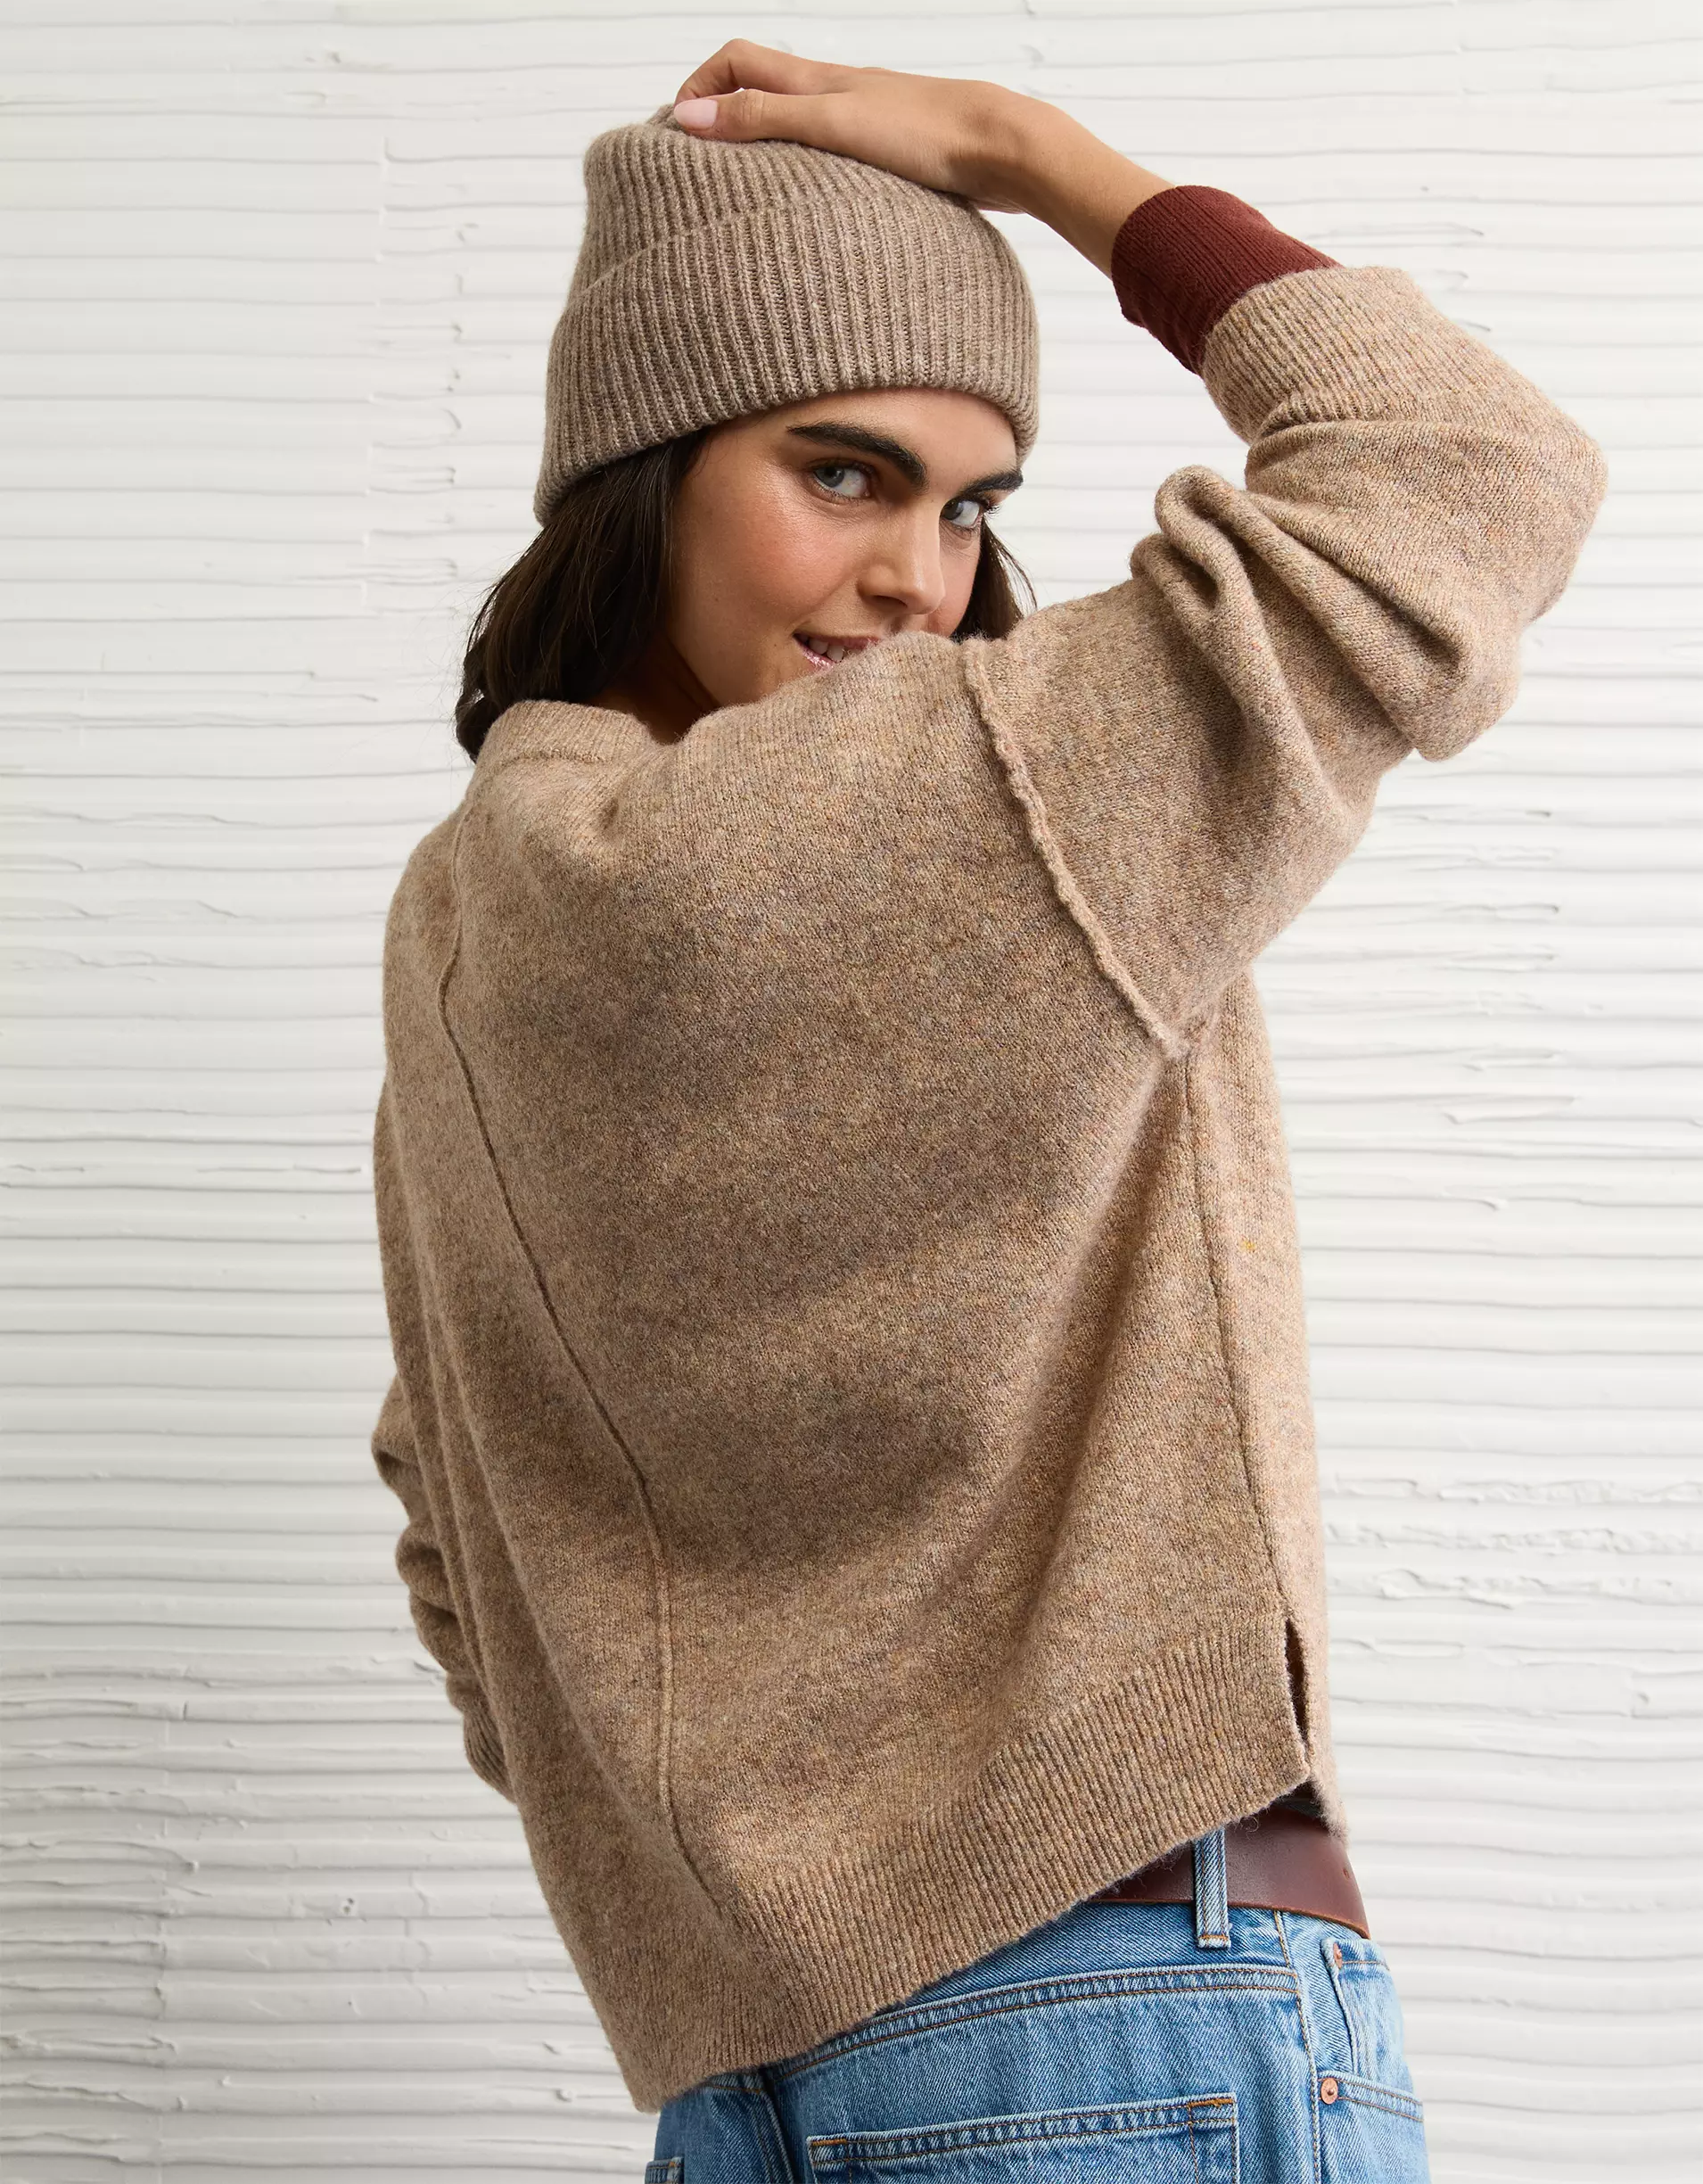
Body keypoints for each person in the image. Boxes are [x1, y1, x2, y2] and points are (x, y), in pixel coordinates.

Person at [367, 41, 1606, 2183]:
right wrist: (1032, 157)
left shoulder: (472, 909)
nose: (916, 578)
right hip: (1118, 2004)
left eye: (968, 505)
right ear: (643, 468)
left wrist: (747, 1850)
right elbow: (1463, 463)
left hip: (754, 2079)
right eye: (839, 473)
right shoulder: (957, 800)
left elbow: (447, 1499)